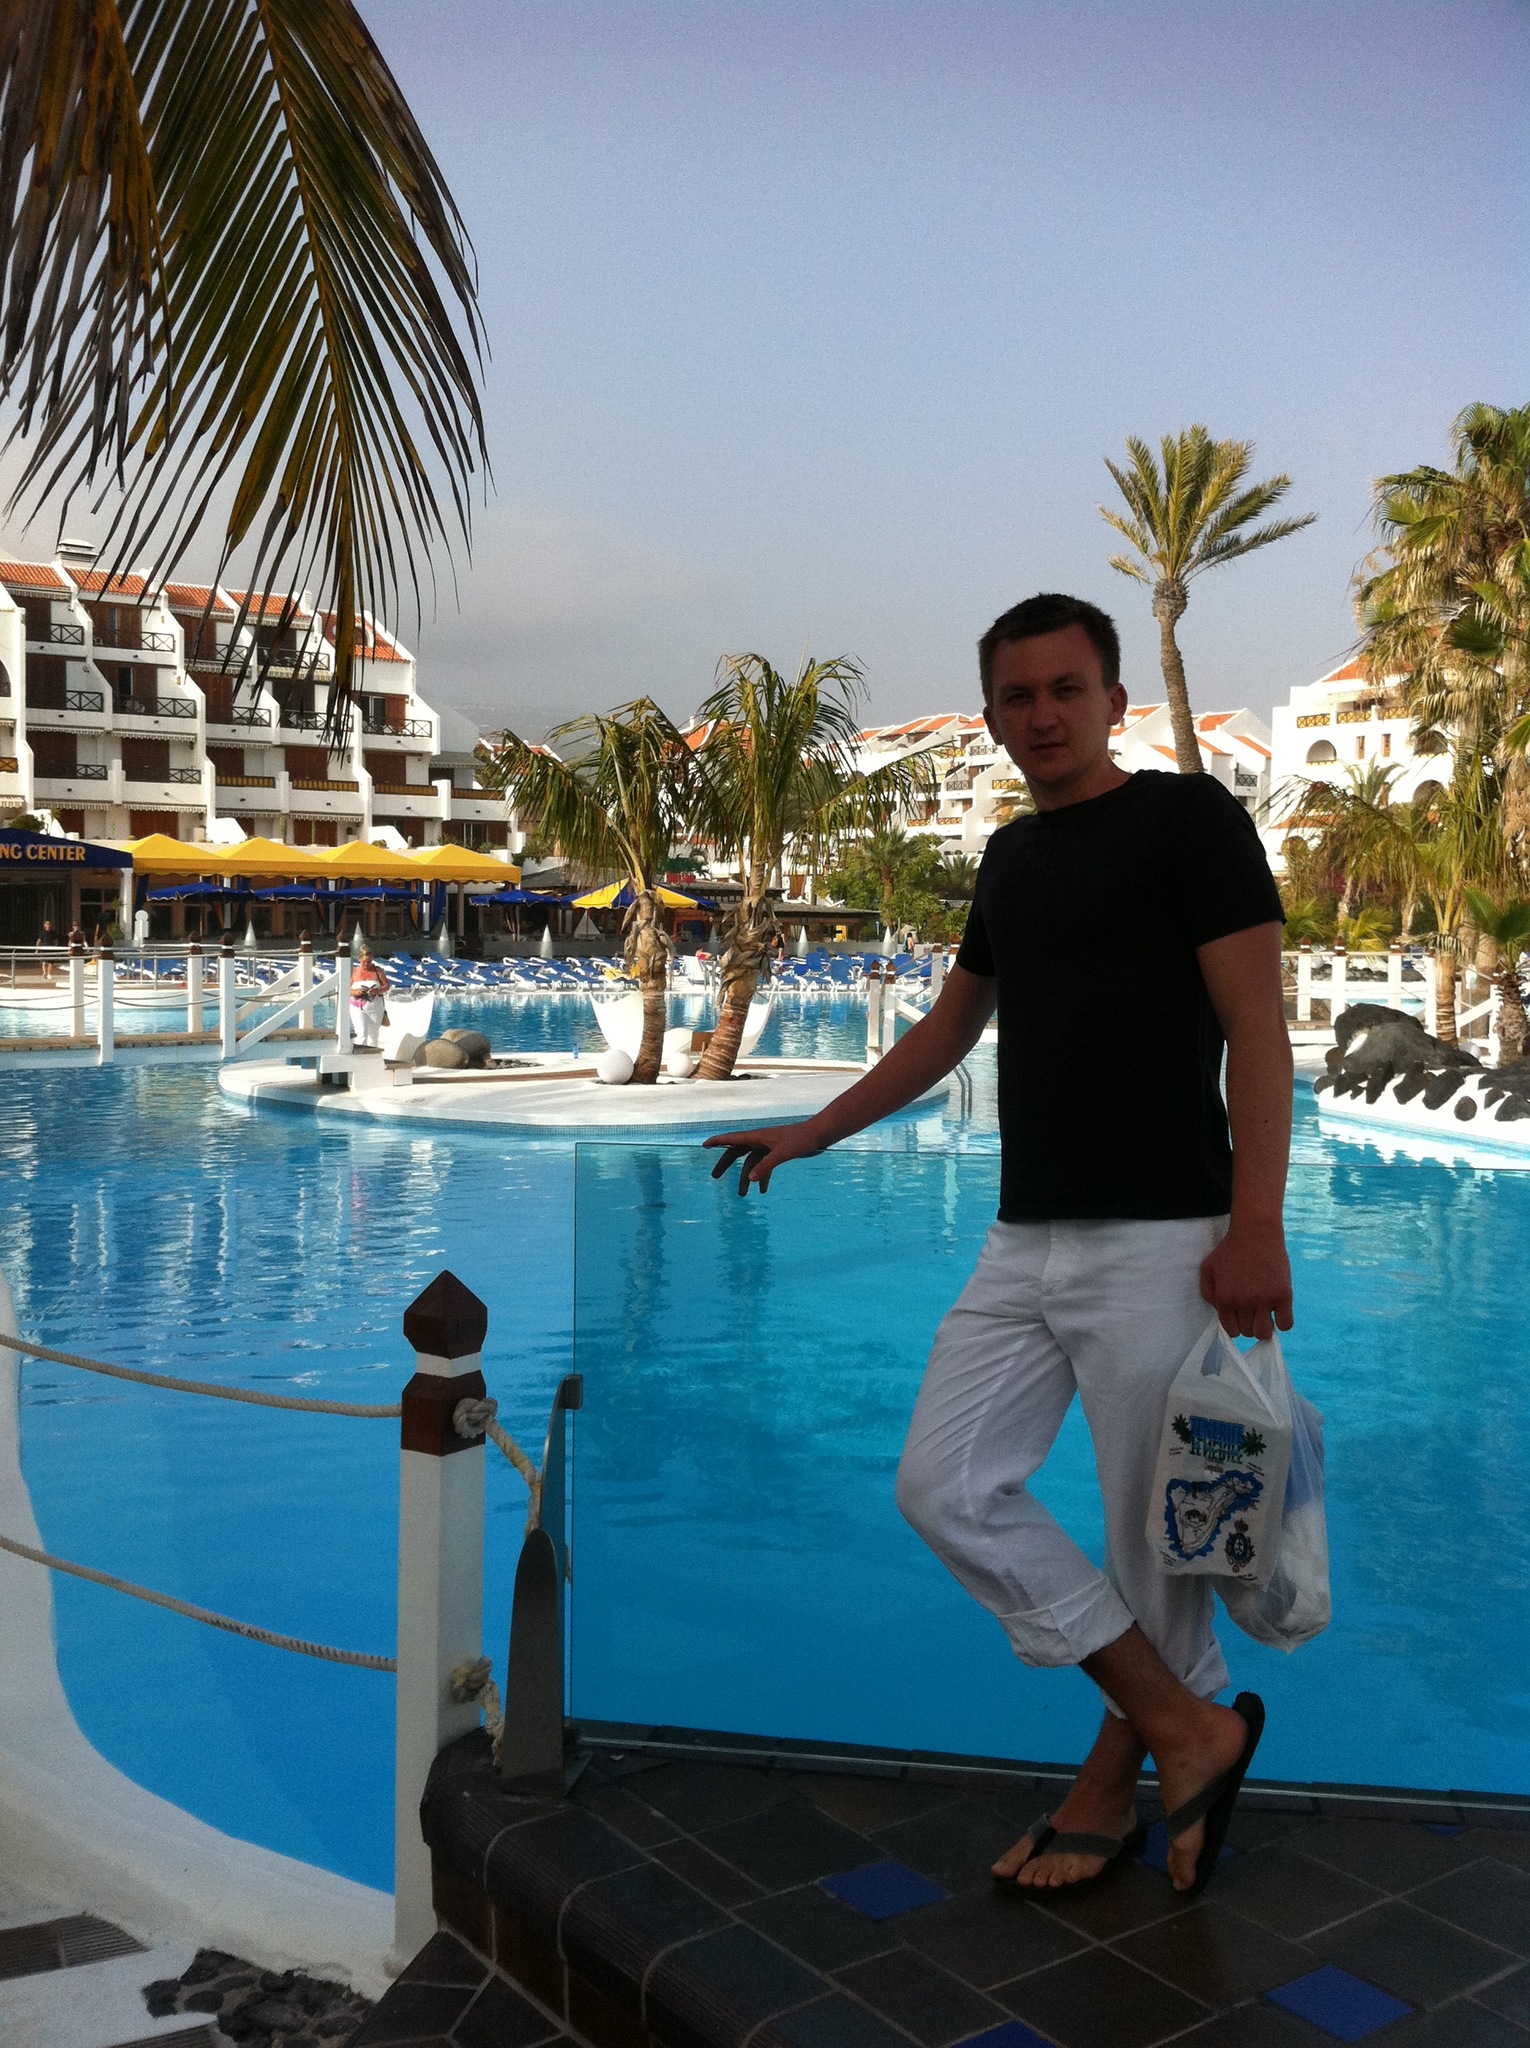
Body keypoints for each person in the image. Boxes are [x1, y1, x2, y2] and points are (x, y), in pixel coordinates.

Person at [706, 592, 1292, 1901]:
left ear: (1113, 700)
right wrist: (814, 1128)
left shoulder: (1188, 820)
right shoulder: (1011, 859)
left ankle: (1118, 1782)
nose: (1043, 715)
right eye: (1017, 696)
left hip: (1165, 1237)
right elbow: (949, 1025)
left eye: (1065, 689)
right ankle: (1188, 1728)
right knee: (945, 1484)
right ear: (989, 717)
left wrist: (1256, 1224)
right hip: (1025, 1235)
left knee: (1154, 1542)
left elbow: (1257, 1026)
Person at [350, 940, 389, 1048]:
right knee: (361, 1033)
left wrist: (376, 991)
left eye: (369, 961)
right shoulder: (354, 972)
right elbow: (346, 988)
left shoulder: (377, 971)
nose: (366, 964)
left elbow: (386, 986)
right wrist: (356, 992)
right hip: (357, 1007)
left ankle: (372, 1056)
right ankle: (359, 1056)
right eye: (364, 961)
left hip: (375, 1007)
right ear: (359, 959)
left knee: (374, 1035)